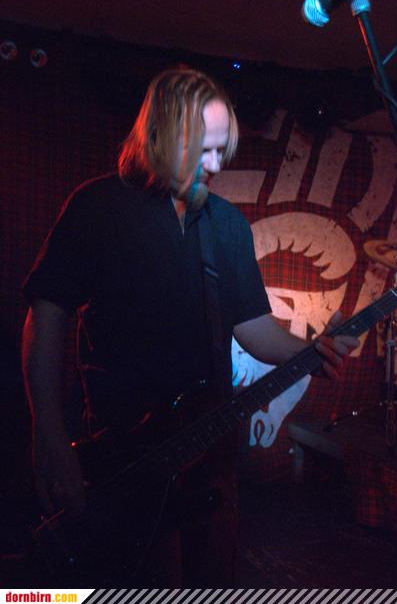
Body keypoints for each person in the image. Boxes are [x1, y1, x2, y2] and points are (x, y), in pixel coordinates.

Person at [21, 67, 359, 586]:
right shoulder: (97, 207)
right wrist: (47, 435)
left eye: (222, 151)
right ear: (160, 135)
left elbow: (254, 327)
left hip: (208, 457)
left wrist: (313, 351)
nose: (216, 165)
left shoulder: (226, 225)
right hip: (123, 452)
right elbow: (45, 319)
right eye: (204, 150)